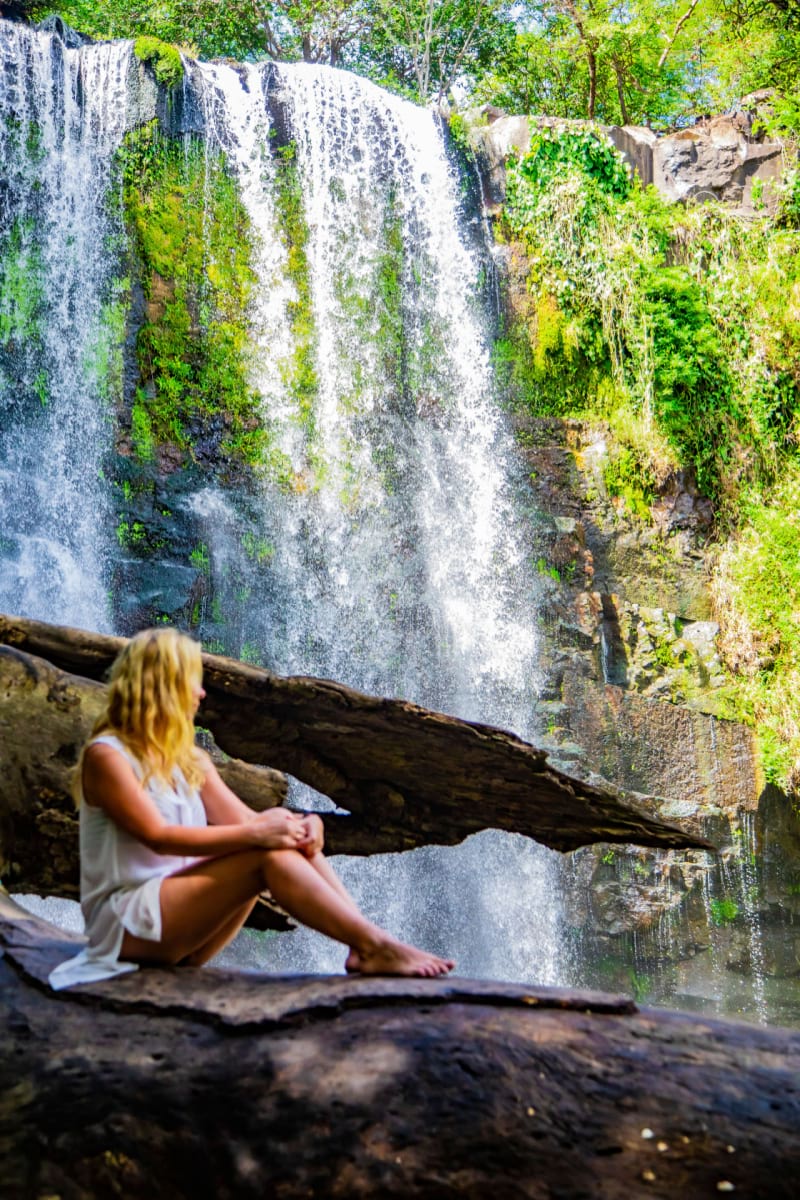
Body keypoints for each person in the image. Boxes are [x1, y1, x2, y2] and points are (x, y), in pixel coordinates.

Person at [49, 628, 454, 990]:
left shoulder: (189, 759)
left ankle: (365, 942)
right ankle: (372, 944)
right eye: (193, 681)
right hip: (126, 927)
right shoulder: (108, 756)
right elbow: (157, 837)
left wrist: (305, 826)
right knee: (263, 852)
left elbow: (249, 821)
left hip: (182, 935)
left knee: (288, 839)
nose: (201, 693)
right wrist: (259, 834)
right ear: (163, 686)